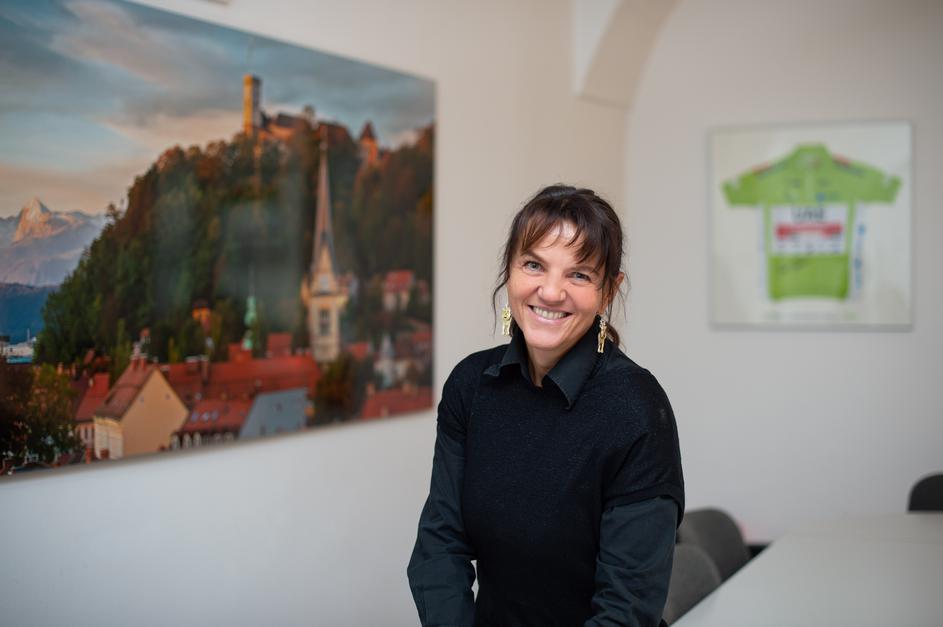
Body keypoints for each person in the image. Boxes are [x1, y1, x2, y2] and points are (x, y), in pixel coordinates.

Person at [407, 185, 684, 626]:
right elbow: (440, 547)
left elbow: (626, 609)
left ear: (608, 292)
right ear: (510, 271)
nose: (551, 292)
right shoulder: (471, 386)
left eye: (580, 275)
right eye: (534, 265)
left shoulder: (637, 408)